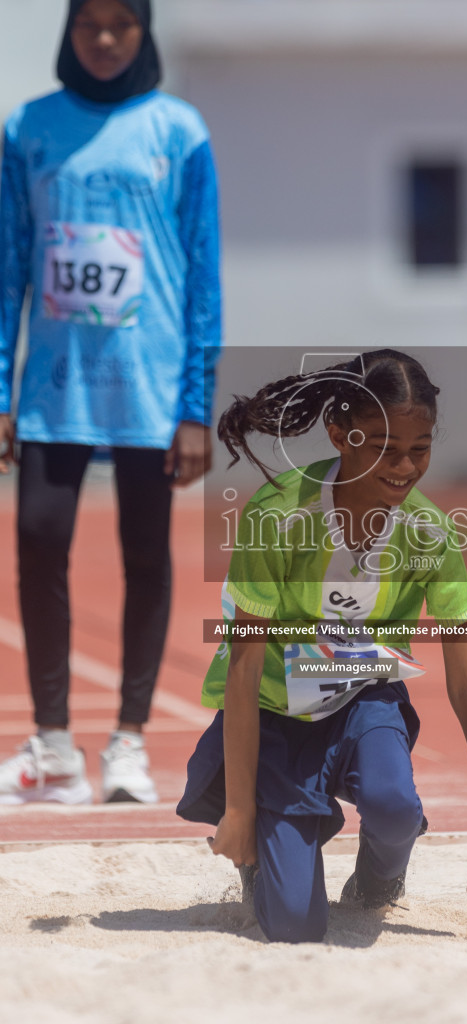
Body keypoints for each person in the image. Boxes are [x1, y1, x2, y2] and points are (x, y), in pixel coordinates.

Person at [177, 349, 467, 943]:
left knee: (395, 807)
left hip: (366, 705)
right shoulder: (276, 515)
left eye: (420, 450)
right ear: (340, 434)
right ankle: (265, 840)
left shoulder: (432, 536)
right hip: (277, 716)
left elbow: (466, 684)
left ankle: (375, 884)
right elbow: (243, 668)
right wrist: (237, 810)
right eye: (384, 450)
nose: (404, 467)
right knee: (292, 926)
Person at [0, 0, 221, 804]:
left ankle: (129, 740)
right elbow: (8, 267)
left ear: (143, 32)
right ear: (70, 29)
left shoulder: (178, 130)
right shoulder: (27, 127)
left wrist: (197, 405)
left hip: (149, 385)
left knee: (146, 556)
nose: (103, 40)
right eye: (89, 23)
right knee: (36, 541)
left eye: (119, 25)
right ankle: (53, 743)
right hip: (55, 387)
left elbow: (204, 276)